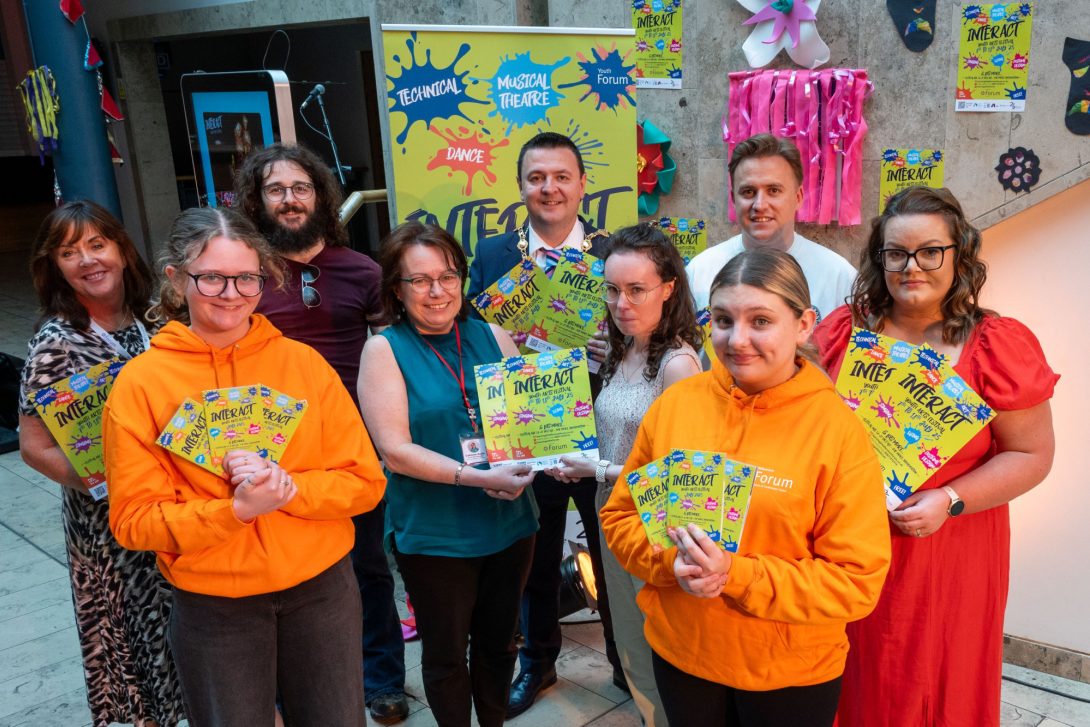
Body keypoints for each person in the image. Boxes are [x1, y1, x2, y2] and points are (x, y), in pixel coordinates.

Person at [102, 207, 386, 726]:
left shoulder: (302, 364)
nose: (230, 293)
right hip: (215, 605)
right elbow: (133, 520)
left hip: (320, 590)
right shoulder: (141, 384)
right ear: (175, 278)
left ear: (265, 278)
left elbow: (364, 483)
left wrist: (291, 490)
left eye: (246, 278)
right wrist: (233, 512)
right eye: (211, 277)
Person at [600, 247, 891, 727]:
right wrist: (670, 563)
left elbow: (855, 582)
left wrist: (734, 575)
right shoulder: (677, 406)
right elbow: (621, 515)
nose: (737, 340)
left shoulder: (836, 430)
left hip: (789, 673)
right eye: (722, 319)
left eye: (760, 321)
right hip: (682, 655)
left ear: (803, 324)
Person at [812, 186, 1058, 727]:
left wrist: (949, 498)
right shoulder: (842, 332)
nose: (911, 266)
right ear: (880, 259)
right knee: (851, 671)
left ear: (959, 254)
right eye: (895, 253)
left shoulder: (997, 344)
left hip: (950, 546)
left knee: (935, 677)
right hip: (846, 539)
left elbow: (1033, 454)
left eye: (930, 251)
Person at [233, 142, 409, 723]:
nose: (289, 199)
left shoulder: (362, 270)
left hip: (349, 450)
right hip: (269, 454)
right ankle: (289, 692)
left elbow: (390, 353)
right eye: (275, 189)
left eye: (300, 188)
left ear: (320, 197)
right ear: (256, 201)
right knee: (284, 576)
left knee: (368, 567)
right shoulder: (242, 277)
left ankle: (381, 679)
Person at [466, 130, 622, 717]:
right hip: (529, 428)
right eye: (536, 178)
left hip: (602, 427)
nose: (549, 188)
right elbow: (478, 337)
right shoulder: (493, 254)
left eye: (561, 176)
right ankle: (539, 661)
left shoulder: (613, 250)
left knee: (612, 551)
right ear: (521, 187)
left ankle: (622, 658)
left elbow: (644, 326)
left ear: (583, 185)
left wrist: (614, 341)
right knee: (533, 553)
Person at [357, 221, 538, 727]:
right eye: (419, 280)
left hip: (510, 523)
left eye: (447, 275)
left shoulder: (495, 336)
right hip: (437, 533)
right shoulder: (384, 350)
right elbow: (395, 451)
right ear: (397, 288)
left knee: (500, 646)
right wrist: (479, 477)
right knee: (443, 656)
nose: (437, 291)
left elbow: (530, 427)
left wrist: (537, 465)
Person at [17, 200, 187, 727]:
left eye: (97, 244)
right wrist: (105, 480)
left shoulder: (155, 320)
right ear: (55, 266)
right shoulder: (55, 344)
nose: (88, 260)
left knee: (185, 630)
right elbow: (32, 445)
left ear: (120, 248)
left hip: (174, 505)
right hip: (109, 524)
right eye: (70, 252)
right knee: (137, 637)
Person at [547, 223, 702, 726]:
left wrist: (600, 468)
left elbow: (681, 476)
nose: (621, 302)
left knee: (659, 638)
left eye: (637, 290)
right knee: (628, 636)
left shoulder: (678, 365)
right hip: (610, 510)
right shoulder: (618, 349)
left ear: (669, 289)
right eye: (612, 289)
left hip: (656, 522)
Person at [686, 133, 856, 323]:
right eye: (748, 192)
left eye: (773, 191)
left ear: (798, 197)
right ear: (734, 199)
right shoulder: (699, 273)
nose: (759, 204)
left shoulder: (839, 278)